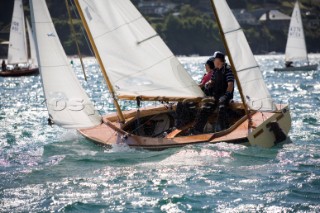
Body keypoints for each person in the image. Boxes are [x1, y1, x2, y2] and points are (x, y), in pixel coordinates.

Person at [190, 51, 234, 134]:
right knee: (204, 108)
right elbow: (212, 80)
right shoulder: (215, 70)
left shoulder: (228, 70)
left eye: (214, 59)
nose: (213, 61)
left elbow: (230, 84)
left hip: (225, 97)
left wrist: (226, 95)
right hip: (216, 96)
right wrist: (209, 83)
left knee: (222, 107)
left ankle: (222, 130)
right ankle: (197, 130)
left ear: (219, 60)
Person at [174, 56, 215, 129]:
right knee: (186, 102)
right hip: (207, 96)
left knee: (183, 102)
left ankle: (181, 121)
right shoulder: (213, 74)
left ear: (208, 66)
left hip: (203, 97)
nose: (205, 67)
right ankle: (184, 120)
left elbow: (200, 86)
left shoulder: (209, 75)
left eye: (206, 66)